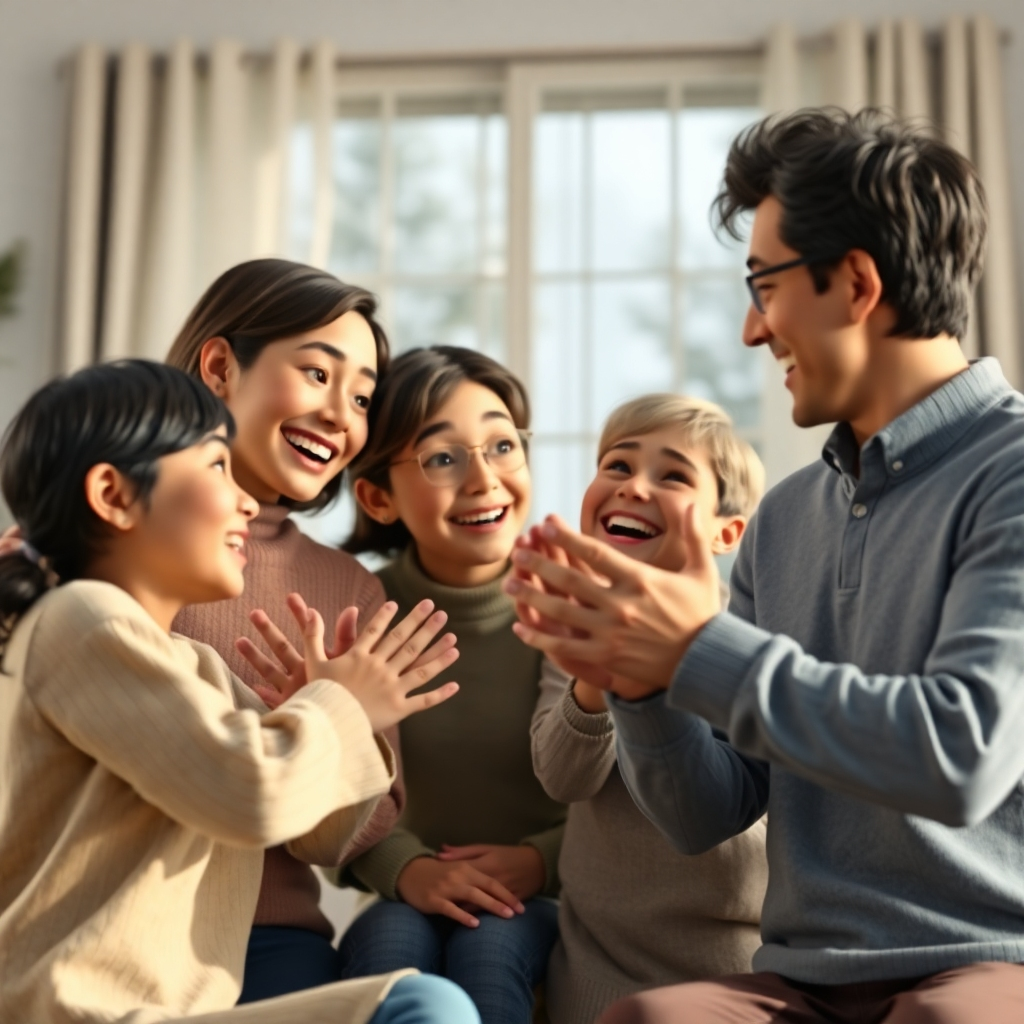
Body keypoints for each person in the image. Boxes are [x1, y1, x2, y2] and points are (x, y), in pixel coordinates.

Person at [506, 108, 1024, 1023]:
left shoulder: (1009, 473)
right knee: (645, 1020)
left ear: (855, 284)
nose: (753, 330)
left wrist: (695, 647)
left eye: (766, 287)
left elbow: (961, 755)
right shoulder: (786, 519)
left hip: (993, 959)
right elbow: (704, 814)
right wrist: (639, 679)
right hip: (806, 977)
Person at [0, 360, 478, 1024]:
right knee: (421, 1008)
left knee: (422, 1003)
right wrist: (339, 706)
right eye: (217, 467)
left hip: (182, 1014)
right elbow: (254, 794)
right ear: (113, 495)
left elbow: (316, 829)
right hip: (80, 1012)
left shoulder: (191, 663)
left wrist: (328, 705)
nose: (248, 503)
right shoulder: (81, 619)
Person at [165, 258, 408, 1001]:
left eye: (361, 397)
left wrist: (333, 721)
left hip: (272, 942)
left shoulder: (350, 591)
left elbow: (353, 833)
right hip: (117, 926)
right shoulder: (106, 543)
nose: (341, 415)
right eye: (318, 374)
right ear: (219, 367)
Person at [335, 346, 566, 1024]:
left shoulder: (578, 608)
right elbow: (329, 787)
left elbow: (630, 794)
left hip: (550, 895)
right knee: (388, 945)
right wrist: (406, 869)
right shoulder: (357, 613)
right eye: (442, 458)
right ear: (378, 497)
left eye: (503, 446)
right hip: (402, 891)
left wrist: (540, 861)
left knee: (492, 947)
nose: (484, 479)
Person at [529, 394, 768, 1024]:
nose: (634, 487)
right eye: (617, 465)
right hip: (602, 966)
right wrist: (591, 684)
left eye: (673, 476)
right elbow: (562, 778)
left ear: (726, 532)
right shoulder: (571, 629)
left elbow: (719, 808)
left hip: (736, 964)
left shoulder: (749, 639)